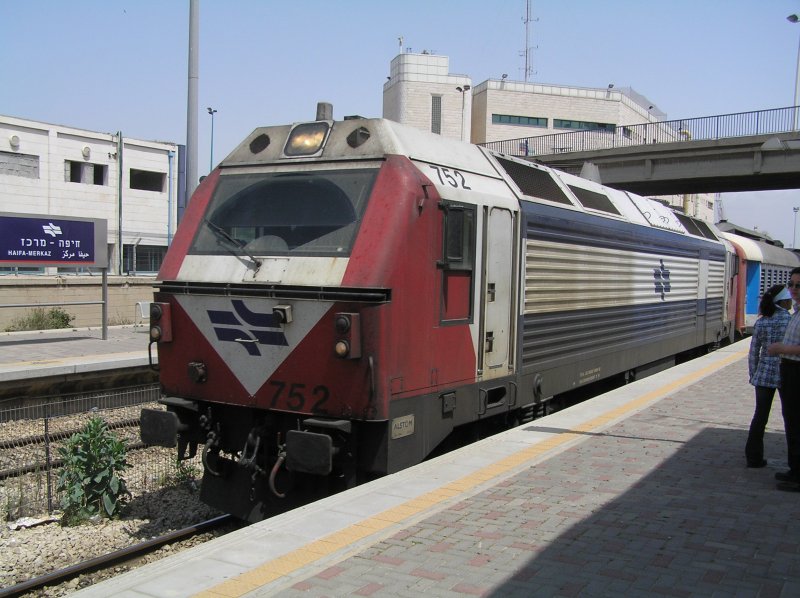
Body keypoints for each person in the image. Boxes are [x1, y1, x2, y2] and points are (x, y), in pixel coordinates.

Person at [746, 284, 792, 467]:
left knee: (760, 417)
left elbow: (753, 351)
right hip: (785, 375)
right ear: (784, 301)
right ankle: (793, 461)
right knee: (790, 418)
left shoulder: (762, 321)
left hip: (763, 376)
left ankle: (753, 457)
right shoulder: (789, 320)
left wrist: (753, 374)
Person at [768, 266, 800, 490]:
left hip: (797, 372)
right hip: (790, 371)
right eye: (791, 284)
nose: (794, 289)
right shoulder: (797, 312)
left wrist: (782, 348)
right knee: (791, 421)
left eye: (799, 286)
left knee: (797, 423)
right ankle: (794, 469)